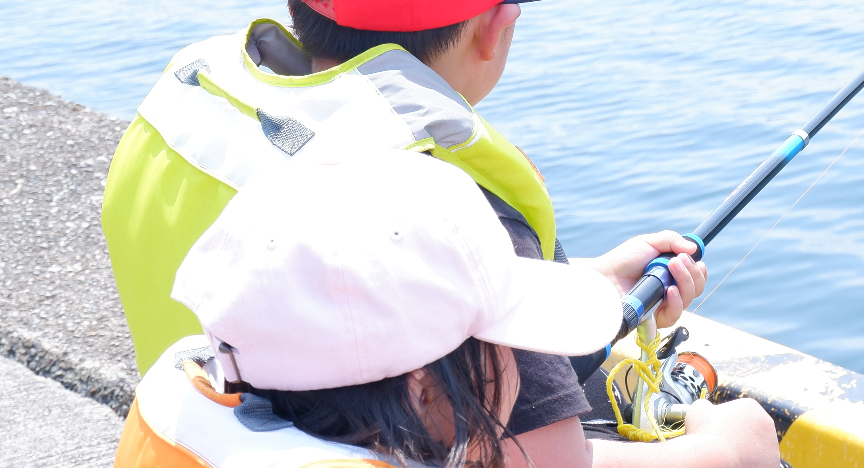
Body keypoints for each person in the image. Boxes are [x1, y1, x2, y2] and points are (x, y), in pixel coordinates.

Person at [103, 0, 773, 466]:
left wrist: (589, 286)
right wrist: (731, 448)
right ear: (497, 27)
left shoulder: (193, 105)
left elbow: (347, 310)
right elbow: (546, 461)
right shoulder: (428, 192)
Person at [115, 147, 778, 468]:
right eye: (509, 340)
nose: (524, 362)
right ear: (423, 388)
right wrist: (730, 450)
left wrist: (597, 281)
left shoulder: (200, 405)